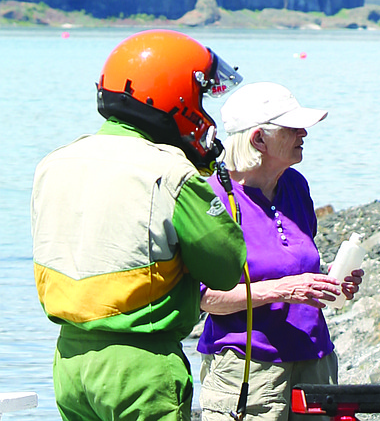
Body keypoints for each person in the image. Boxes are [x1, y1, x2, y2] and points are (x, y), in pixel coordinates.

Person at [31, 30, 246, 421]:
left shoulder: (53, 162)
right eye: (200, 97)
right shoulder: (171, 171)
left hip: (69, 360)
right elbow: (226, 267)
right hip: (140, 364)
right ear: (176, 96)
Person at [197, 81, 364, 421]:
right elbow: (203, 297)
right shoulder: (213, 198)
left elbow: (297, 266)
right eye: (292, 128)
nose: (304, 133)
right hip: (247, 368)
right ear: (258, 139)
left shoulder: (295, 184)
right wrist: (285, 290)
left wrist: (330, 284)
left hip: (313, 357)